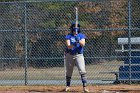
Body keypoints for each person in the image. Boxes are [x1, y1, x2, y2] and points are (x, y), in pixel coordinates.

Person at [64, 22, 89, 92]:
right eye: (74, 27)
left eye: (77, 27)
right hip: (70, 55)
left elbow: (83, 44)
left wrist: (78, 40)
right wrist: (74, 44)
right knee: (69, 71)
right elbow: (68, 46)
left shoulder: (81, 35)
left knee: (82, 70)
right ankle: (68, 86)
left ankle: (85, 87)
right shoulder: (69, 36)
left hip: (79, 55)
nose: (76, 29)